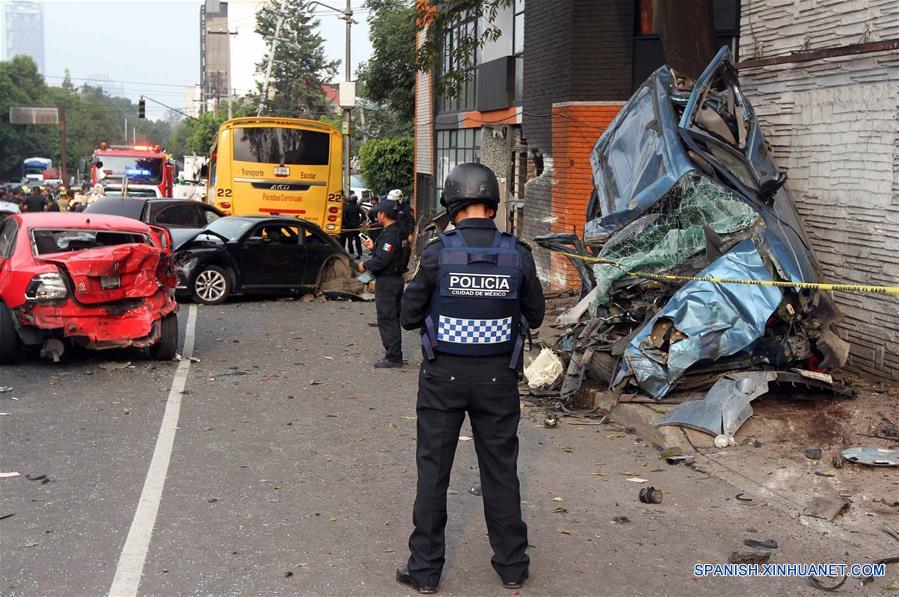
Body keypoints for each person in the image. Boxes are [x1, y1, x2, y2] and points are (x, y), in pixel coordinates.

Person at [396, 163, 545, 594]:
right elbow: (534, 315)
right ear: (491, 202)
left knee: (433, 474)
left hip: (443, 378)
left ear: (452, 202)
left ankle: (424, 573)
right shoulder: (518, 253)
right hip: (499, 380)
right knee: (501, 472)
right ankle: (512, 567)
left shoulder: (436, 252)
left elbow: (408, 318)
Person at [359, 199, 410, 368]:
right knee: (392, 318)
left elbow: (381, 261)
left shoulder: (390, 234)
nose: (377, 215)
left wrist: (364, 265)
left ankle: (393, 357)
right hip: (395, 280)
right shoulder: (399, 232)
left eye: (379, 212)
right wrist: (374, 247)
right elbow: (390, 254)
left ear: (383, 214)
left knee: (387, 318)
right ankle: (395, 354)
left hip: (387, 282)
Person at [342, 193, 364, 259]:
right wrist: (360, 222)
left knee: (350, 240)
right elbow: (363, 214)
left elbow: (344, 217)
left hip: (348, 226)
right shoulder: (357, 207)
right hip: (357, 226)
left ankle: (351, 253)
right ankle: (360, 252)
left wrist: (346, 223)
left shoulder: (345, 208)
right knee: (358, 240)